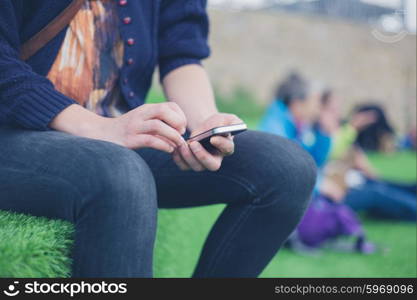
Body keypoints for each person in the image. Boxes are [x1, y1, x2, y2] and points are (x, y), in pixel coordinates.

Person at [0, 1, 317, 277]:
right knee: (122, 173)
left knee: (287, 168)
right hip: (15, 131)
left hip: (118, 131)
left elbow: (182, 53)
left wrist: (205, 122)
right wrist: (100, 128)